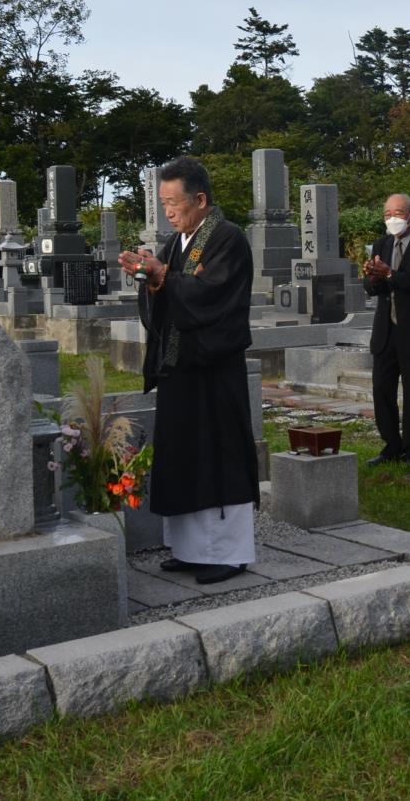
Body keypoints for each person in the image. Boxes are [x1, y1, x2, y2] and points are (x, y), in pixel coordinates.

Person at [119, 156, 257, 586]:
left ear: (200, 199)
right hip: (179, 366)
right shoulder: (178, 243)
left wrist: (164, 278)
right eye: (163, 203)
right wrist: (152, 277)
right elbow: (168, 293)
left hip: (213, 367)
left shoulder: (227, 239)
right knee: (183, 456)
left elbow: (211, 295)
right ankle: (190, 548)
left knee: (217, 455)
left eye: (174, 202)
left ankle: (228, 553)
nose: (168, 211)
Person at [363, 193, 410, 467]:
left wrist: (392, 275)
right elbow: (374, 288)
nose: (392, 219)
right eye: (387, 214)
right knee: (382, 389)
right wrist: (372, 277)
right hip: (385, 330)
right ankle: (391, 444)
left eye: (398, 213)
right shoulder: (382, 243)